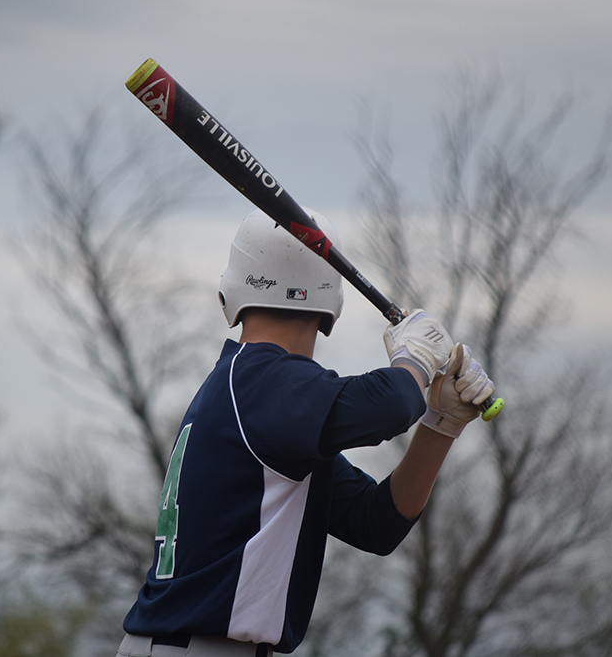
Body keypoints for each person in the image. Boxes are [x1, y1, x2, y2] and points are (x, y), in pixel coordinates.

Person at [117, 210, 494, 657]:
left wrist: (440, 426)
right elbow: (391, 403)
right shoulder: (263, 381)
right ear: (329, 298)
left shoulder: (258, 396)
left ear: (233, 289)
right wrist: (415, 358)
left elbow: (375, 523)